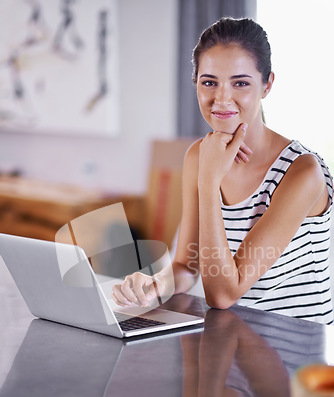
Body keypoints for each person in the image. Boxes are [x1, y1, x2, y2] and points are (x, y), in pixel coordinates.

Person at [112, 17, 333, 324]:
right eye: (209, 82)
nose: (222, 98)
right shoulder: (198, 156)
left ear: (267, 85)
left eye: (240, 83)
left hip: (298, 353)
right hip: (237, 342)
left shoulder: (302, 171)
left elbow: (223, 295)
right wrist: (156, 284)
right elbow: (187, 265)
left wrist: (208, 179)